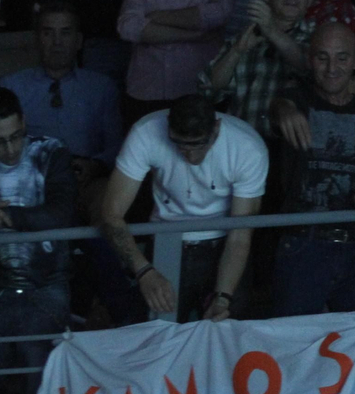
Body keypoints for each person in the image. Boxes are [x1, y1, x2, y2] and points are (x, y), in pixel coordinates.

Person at [266, 21, 355, 316]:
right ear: (309, 59)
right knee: (293, 344)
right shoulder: (296, 101)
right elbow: (278, 109)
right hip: (304, 243)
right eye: (322, 57)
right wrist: (283, 108)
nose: (332, 67)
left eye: (342, 57)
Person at [102, 94, 267, 322]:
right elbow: (111, 213)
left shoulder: (247, 147)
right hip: (166, 241)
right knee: (157, 332)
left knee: (225, 331)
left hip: (223, 244)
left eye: (197, 144)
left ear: (216, 129)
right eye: (178, 143)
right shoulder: (146, 132)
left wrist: (222, 298)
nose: (188, 153)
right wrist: (144, 272)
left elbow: (240, 235)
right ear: (168, 127)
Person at [0, 87, 75, 394]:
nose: (10, 149)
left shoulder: (50, 152)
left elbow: (62, 213)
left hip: (46, 285)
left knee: (38, 361)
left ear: (24, 122)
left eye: (16, 136)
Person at [3, 0, 123, 183]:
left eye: (65, 33)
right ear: (37, 39)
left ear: (79, 41)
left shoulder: (102, 87)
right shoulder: (12, 87)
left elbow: (116, 145)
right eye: (48, 33)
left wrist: (95, 166)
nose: (57, 42)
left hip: (86, 177)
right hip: (29, 179)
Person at [201, 0, 314, 138]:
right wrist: (237, 50)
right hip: (241, 146)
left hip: (290, 150)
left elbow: (309, 67)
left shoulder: (318, 36)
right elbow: (211, 87)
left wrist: (271, 30)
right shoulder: (247, 34)